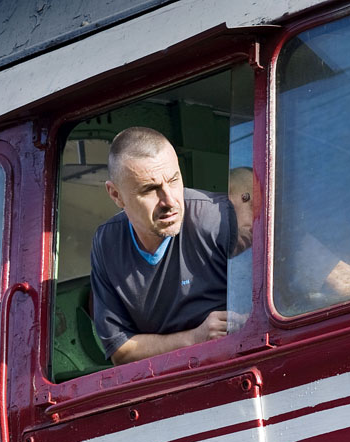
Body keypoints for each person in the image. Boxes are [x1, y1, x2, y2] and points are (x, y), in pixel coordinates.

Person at [90, 127, 240, 365]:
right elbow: (121, 351)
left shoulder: (221, 219)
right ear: (116, 195)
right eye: (150, 189)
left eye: (173, 180)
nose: (170, 201)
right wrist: (195, 338)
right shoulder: (107, 243)